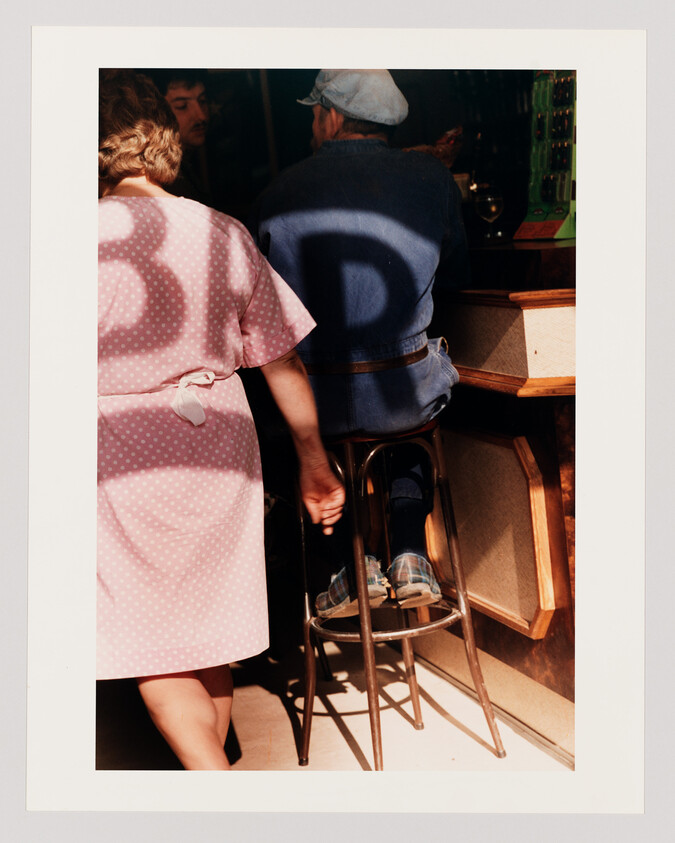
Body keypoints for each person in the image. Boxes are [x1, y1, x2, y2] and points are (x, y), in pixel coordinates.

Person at [97, 70, 344, 770]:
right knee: (207, 638)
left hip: (121, 453)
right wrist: (314, 458)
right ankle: (223, 779)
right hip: (221, 447)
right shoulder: (221, 232)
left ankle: (221, 794)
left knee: (150, 642)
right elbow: (281, 363)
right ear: (163, 137)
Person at [249, 69, 470, 619]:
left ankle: (348, 564)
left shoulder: (278, 191)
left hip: (317, 398)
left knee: (272, 417)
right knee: (414, 409)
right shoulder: (431, 176)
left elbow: (260, 314)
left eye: (313, 114)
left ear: (330, 116)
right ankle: (410, 551)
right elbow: (460, 275)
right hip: (407, 391)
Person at [140, 68, 214, 205]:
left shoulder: (186, 167)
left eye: (202, 101)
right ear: (155, 111)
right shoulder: (160, 177)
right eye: (182, 106)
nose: (201, 116)